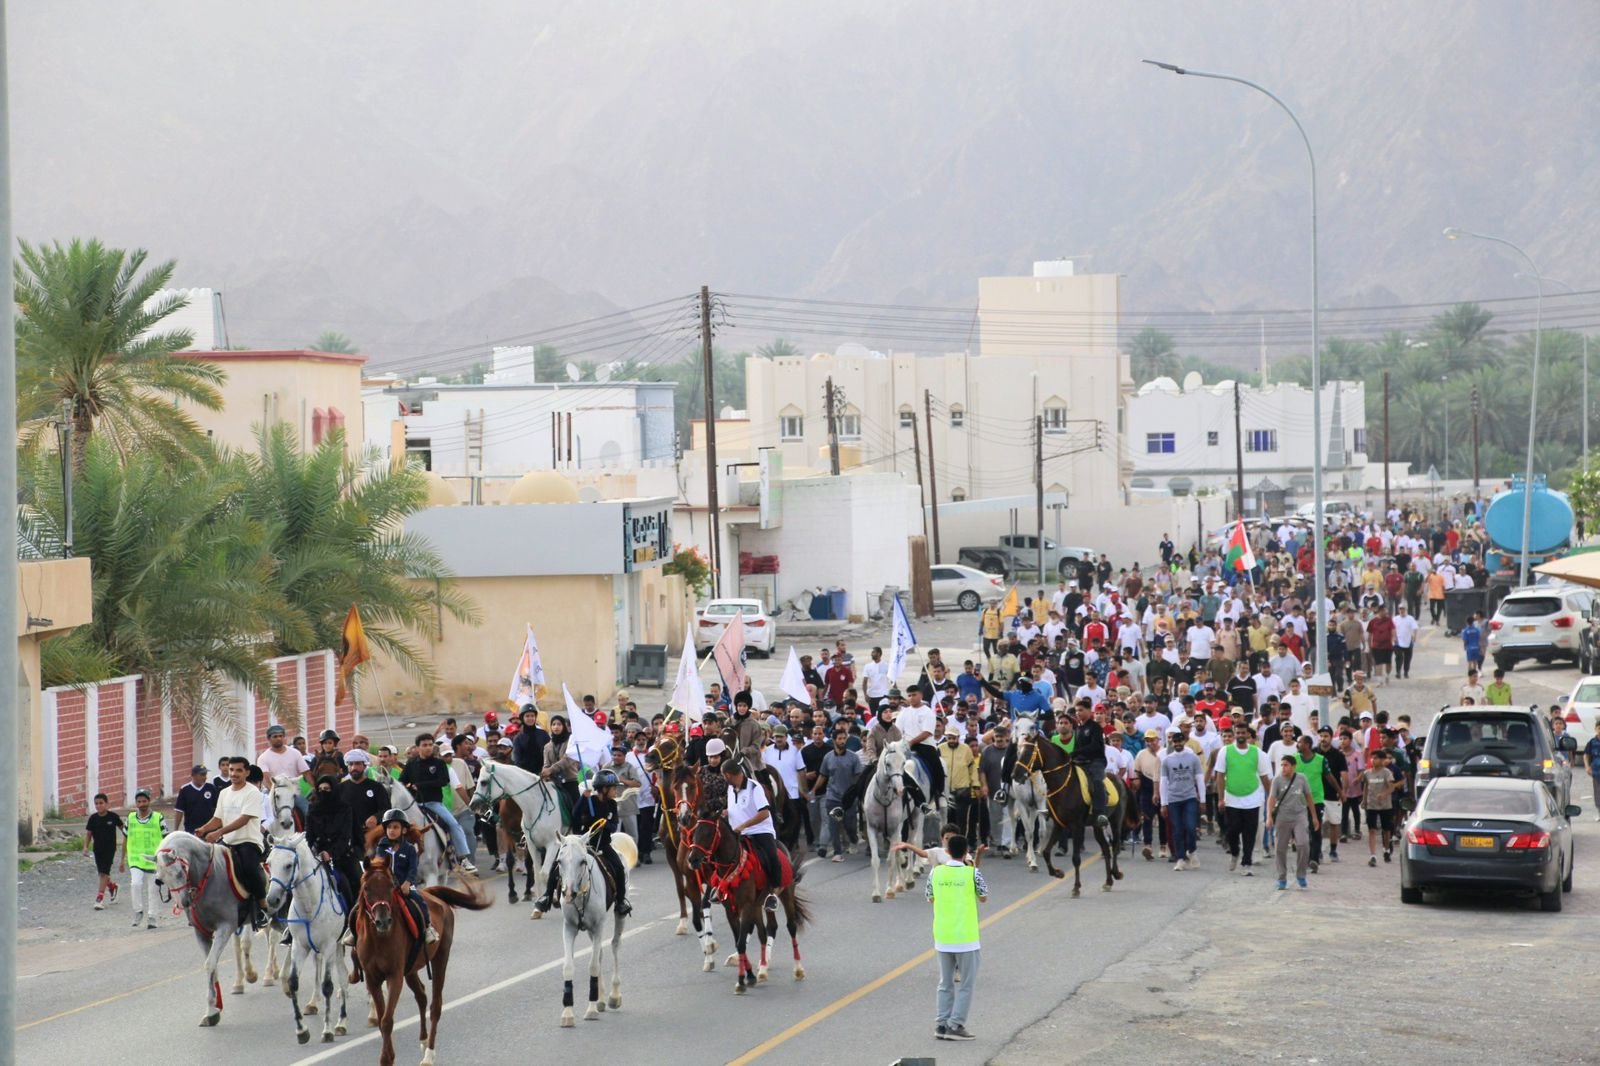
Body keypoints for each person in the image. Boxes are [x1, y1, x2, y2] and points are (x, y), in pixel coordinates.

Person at [198, 758, 270, 928]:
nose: (233, 774)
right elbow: (218, 819)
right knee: (206, 866)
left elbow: (244, 819)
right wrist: (204, 829)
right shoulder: (224, 793)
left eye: (238, 770)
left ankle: (262, 907)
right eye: (231, 770)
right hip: (227, 842)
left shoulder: (252, 792)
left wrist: (218, 832)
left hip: (248, 841)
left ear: (247, 772)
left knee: (249, 869)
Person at [926, 833, 986, 1042]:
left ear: (947, 851)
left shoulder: (935, 873)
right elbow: (983, 897)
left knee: (945, 982)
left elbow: (930, 898)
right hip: (966, 937)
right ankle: (956, 1024)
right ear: (966, 852)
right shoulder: (973, 874)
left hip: (943, 935)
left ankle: (941, 1024)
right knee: (966, 984)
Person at [399, 734, 478, 874]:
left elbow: (443, 781)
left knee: (454, 824)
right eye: (424, 745)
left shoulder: (438, 763)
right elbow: (401, 781)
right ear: (417, 747)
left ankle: (463, 858)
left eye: (430, 744)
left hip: (433, 804)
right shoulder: (411, 764)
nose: (428, 748)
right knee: (394, 825)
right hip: (414, 805)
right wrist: (407, 786)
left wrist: (419, 785)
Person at [723, 757, 782, 911]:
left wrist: (744, 825)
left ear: (728, 775)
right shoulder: (730, 789)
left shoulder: (754, 788)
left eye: (724, 776)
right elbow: (736, 809)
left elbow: (764, 813)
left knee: (771, 857)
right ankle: (721, 888)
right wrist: (725, 813)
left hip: (759, 831)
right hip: (737, 833)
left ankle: (773, 892)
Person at [370, 809, 436, 943]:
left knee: (419, 900)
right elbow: (379, 864)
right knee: (362, 900)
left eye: (395, 827)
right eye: (388, 827)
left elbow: (413, 869)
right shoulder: (382, 846)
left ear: (404, 830)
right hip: (386, 886)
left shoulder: (410, 848)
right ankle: (353, 930)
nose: (391, 830)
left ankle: (428, 927)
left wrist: (407, 883)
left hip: (405, 885)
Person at [571, 770, 631, 916]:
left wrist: (606, 824)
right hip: (584, 844)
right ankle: (549, 895)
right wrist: (582, 800)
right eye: (614, 788)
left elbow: (614, 823)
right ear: (604, 789)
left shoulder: (612, 804)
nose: (616, 791)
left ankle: (621, 901)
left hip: (603, 844)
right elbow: (575, 816)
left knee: (619, 867)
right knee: (560, 863)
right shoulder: (589, 801)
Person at [1215, 723, 1272, 876]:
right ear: (1234, 734)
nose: (1240, 735)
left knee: (1250, 833)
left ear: (1247, 735)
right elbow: (1220, 776)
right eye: (1237, 732)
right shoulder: (1225, 751)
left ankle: (1247, 862)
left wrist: (1272, 799)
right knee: (1232, 831)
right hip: (1232, 798)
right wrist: (1220, 799)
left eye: (1243, 733)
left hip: (1252, 799)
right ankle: (1235, 852)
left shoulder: (1257, 753)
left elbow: (1264, 777)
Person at [305, 773, 361, 910]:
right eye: (321, 789)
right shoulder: (313, 809)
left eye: (327, 789)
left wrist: (330, 853)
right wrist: (312, 851)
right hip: (317, 855)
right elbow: (309, 835)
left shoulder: (345, 809)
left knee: (354, 882)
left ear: (334, 789)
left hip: (341, 855)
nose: (324, 792)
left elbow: (345, 836)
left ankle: (354, 913)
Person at [1267, 755, 1318, 890]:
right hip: (1282, 817)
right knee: (1280, 848)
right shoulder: (1277, 780)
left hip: (1299, 816)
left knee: (1303, 844)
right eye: (1282, 765)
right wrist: (1269, 817)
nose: (1283, 768)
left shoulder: (1301, 778)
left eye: (1286, 765)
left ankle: (1301, 875)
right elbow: (1271, 799)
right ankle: (1281, 877)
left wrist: (1314, 817)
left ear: (1294, 766)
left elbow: (1308, 797)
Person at [1158, 729, 1205, 871]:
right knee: (1177, 829)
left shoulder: (1193, 758)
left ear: (1184, 741)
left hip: (1189, 797)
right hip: (1173, 799)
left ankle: (1191, 850)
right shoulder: (1167, 760)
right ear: (1172, 742)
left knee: (1191, 827)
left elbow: (1199, 779)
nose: (1177, 744)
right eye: (1175, 741)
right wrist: (1163, 803)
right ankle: (1180, 858)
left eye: (1180, 741)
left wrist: (1202, 800)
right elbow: (1163, 782)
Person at [813, 729, 862, 861]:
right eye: (839, 739)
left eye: (844, 738)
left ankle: (853, 838)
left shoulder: (853, 757)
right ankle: (837, 852)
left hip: (849, 798)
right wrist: (813, 790)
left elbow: (858, 778)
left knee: (849, 825)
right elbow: (823, 776)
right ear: (834, 740)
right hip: (832, 796)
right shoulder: (828, 757)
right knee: (833, 825)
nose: (842, 741)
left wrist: (858, 794)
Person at [122, 788, 165, 929]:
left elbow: (166, 838)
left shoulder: (159, 818)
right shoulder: (130, 818)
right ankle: (138, 911)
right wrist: (122, 859)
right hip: (135, 859)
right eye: (139, 801)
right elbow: (125, 838)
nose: (142, 804)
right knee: (135, 884)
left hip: (154, 860)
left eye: (144, 801)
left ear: (149, 801)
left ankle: (152, 917)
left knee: (153, 889)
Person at [1360, 750, 1401, 866]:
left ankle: (1386, 849)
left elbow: (1392, 787)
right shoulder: (1367, 773)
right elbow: (1366, 787)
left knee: (1386, 829)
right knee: (1372, 830)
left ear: (1382, 760)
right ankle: (1373, 855)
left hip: (1385, 806)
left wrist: (1384, 794)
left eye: (1376, 758)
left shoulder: (1386, 773)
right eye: (1372, 758)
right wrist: (1364, 800)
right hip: (1371, 805)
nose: (1373, 760)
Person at [83, 793, 123, 910]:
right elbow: (89, 834)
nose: (99, 806)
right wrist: (86, 846)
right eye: (96, 804)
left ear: (106, 804)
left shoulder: (113, 817)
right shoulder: (93, 818)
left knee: (104, 872)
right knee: (102, 873)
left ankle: (99, 898)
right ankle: (112, 886)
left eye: (101, 803)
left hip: (110, 849)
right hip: (98, 849)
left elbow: (124, 829)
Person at [174, 764, 219, 834]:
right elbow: (179, 811)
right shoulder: (185, 789)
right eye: (202, 775)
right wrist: (175, 829)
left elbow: (216, 808)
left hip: (209, 830)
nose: (205, 777)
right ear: (193, 775)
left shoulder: (211, 788)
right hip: (191, 830)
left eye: (205, 774)